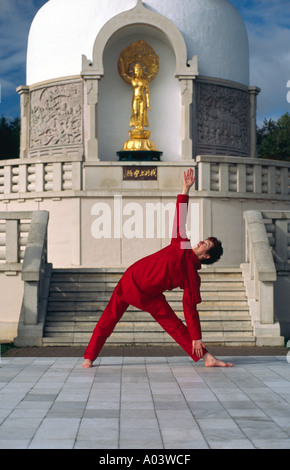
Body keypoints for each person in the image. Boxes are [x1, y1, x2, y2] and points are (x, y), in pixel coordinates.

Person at [82, 169, 233, 368]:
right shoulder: (182, 244)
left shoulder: (192, 277)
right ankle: (89, 358)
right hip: (131, 280)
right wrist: (185, 188)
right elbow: (180, 218)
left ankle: (208, 358)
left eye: (205, 244)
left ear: (206, 256)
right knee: (108, 320)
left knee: (176, 326)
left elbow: (190, 308)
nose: (199, 242)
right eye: (203, 240)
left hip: (150, 296)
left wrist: (196, 336)